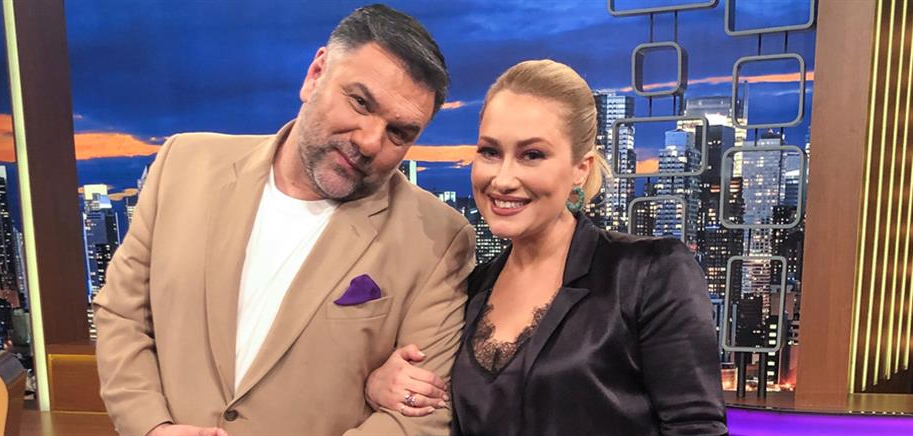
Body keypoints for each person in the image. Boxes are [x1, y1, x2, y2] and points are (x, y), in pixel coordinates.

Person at [94, 5, 475, 435]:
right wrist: (152, 427)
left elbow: (419, 416)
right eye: (360, 102)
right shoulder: (183, 163)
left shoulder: (437, 238)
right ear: (316, 74)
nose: (371, 141)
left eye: (399, 132)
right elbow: (123, 315)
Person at [365, 60, 727, 435]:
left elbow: (696, 427)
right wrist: (377, 386)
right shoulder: (467, 288)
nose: (502, 179)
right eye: (490, 152)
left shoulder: (650, 273)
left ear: (580, 169)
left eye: (532, 155)